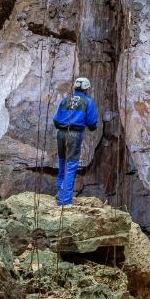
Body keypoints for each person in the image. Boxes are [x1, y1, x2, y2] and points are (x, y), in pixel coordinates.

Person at [54, 76, 98, 206]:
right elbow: (92, 122)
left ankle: (59, 192)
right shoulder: (87, 102)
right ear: (87, 88)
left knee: (62, 163)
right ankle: (65, 200)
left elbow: (56, 120)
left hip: (61, 133)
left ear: (75, 87)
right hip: (74, 135)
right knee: (71, 166)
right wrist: (92, 127)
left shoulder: (65, 100)